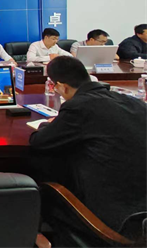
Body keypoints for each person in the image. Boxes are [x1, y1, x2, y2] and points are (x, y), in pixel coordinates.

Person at [29, 56, 147, 247]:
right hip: (140, 209)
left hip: (119, 224)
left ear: (62, 87)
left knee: (45, 175)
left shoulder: (79, 107)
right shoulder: (134, 102)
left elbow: (39, 142)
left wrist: (46, 125)